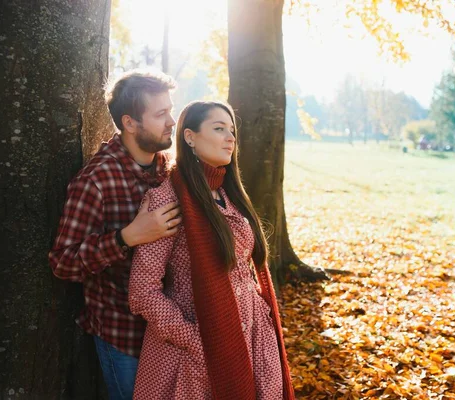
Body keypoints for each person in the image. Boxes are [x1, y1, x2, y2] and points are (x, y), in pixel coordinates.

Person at [128, 101, 294, 399]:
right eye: (219, 129)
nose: (231, 137)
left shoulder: (228, 193)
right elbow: (142, 290)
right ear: (189, 137)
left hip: (252, 340)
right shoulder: (168, 199)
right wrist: (195, 339)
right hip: (195, 350)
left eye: (232, 130)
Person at [49, 70, 183, 400]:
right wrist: (126, 238)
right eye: (160, 114)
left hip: (170, 328)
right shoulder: (96, 180)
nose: (172, 121)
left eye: (171, 110)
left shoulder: (168, 167)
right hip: (124, 336)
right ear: (130, 122)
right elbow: (63, 263)